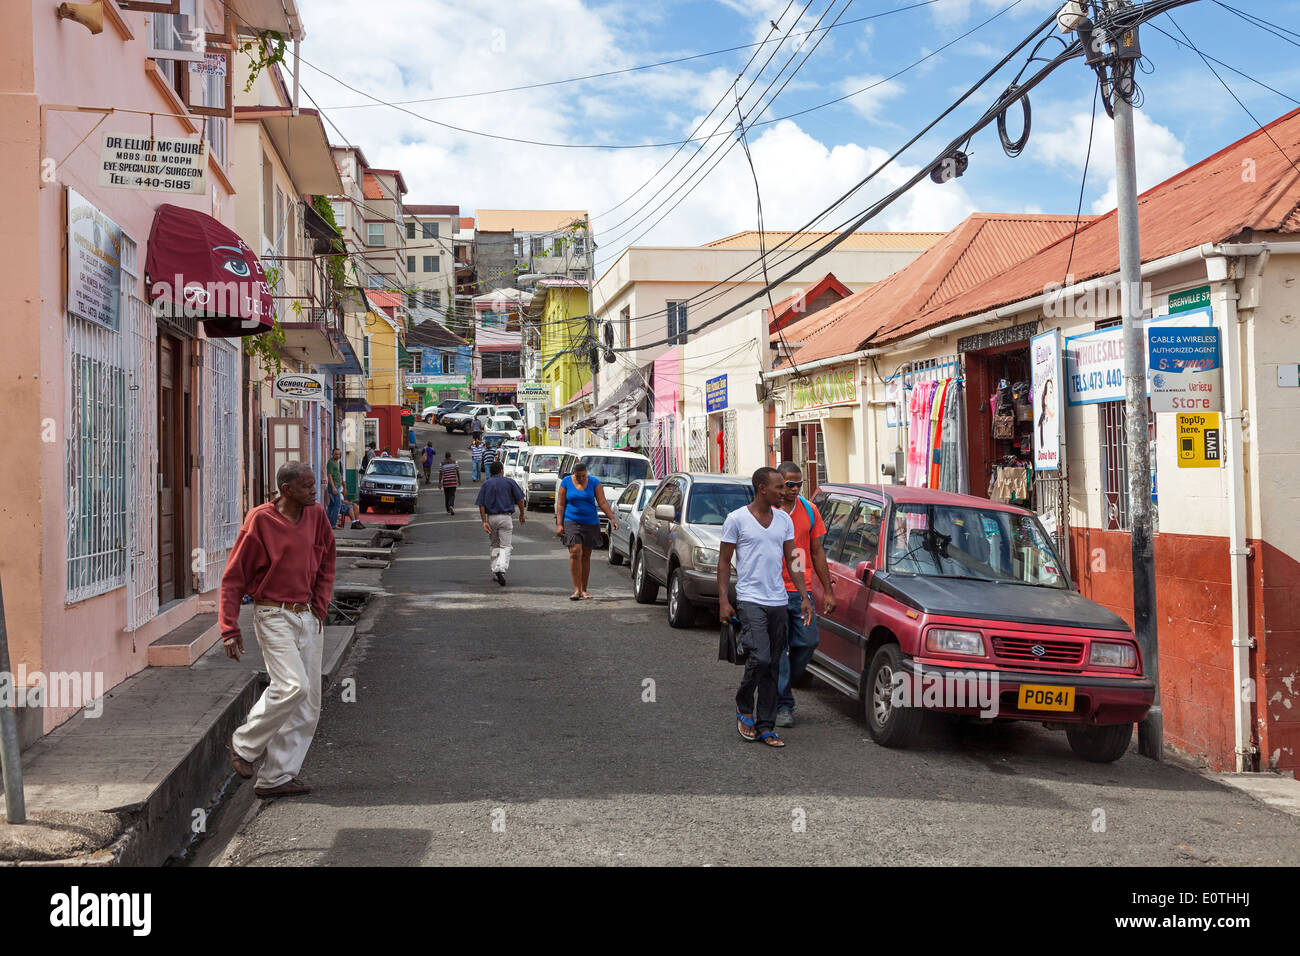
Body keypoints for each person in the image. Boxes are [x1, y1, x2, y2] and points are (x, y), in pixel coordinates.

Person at [220, 461, 337, 798]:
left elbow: (328, 557)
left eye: (315, 485)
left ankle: (276, 777)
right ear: (286, 490)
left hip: (307, 616)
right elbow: (233, 578)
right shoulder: (260, 520)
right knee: (291, 685)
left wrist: (320, 603)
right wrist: (229, 627)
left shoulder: (315, 516)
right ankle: (244, 745)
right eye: (307, 486)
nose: (315, 491)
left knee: (308, 701)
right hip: (273, 614)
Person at [718, 467, 812, 749]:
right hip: (749, 599)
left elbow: (793, 558)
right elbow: (724, 562)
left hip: (778, 601)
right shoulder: (736, 520)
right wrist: (723, 600)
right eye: (779, 487)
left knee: (773, 666)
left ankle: (766, 726)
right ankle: (744, 703)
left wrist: (805, 595)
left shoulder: (783, 520)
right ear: (761, 488)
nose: (784, 492)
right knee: (759, 658)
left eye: (785, 487)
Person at [774, 461, 835, 728]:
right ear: (779, 482)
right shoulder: (767, 511)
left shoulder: (809, 511)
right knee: (779, 651)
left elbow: (817, 550)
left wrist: (828, 590)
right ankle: (783, 705)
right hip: (772, 590)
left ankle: (785, 681)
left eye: (799, 484)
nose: (794, 489)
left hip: (801, 591)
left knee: (808, 642)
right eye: (789, 484)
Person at [554, 461, 618, 601]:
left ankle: (584, 589)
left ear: (586, 473)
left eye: (583, 476)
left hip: (590, 522)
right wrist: (559, 524)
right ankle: (576, 590)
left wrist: (612, 518)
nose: (581, 479)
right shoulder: (566, 482)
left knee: (586, 556)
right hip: (571, 521)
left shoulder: (594, 482)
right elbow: (560, 504)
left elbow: (602, 502)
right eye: (578, 476)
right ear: (574, 474)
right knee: (575, 552)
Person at [475, 461, 526, 586]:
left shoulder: (486, 484)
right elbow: (520, 498)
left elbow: (481, 504)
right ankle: (501, 569)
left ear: (491, 472)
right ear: (502, 470)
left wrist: (484, 521)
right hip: (505, 517)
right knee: (506, 546)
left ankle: (495, 570)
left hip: (491, 517)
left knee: (494, 544)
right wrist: (522, 514)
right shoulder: (509, 482)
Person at [325, 447, 344, 529]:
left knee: (331, 506)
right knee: (337, 505)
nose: (337, 455)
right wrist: (333, 487)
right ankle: (333, 524)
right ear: (332, 454)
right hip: (334, 487)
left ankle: (327, 523)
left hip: (338, 486)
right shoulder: (330, 463)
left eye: (339, 454)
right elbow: (329, 476)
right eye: (336, 454)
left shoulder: (337, 462)